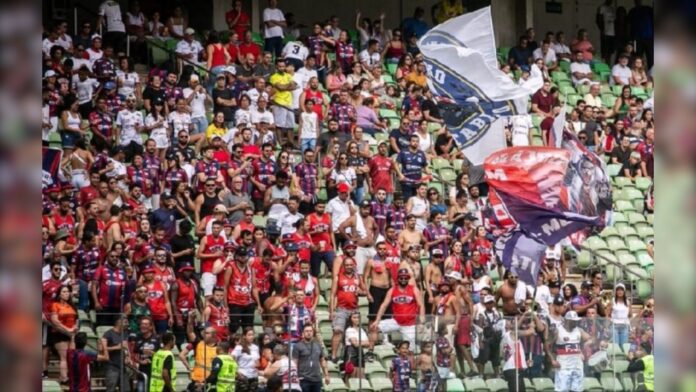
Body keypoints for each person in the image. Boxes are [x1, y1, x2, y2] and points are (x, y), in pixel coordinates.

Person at [370, 268, 424, 350]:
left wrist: (421, 321)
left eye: (405, 278)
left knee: (409, 349)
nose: (403, 279)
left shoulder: (414, 289)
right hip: (396, 321)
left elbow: (421, 305)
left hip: (410, 324)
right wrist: (377, 320)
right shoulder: (392, 290)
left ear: (408, 278)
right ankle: (371, 351)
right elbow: (384, 305)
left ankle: (403, 354)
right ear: (398, 278)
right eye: (401, 278)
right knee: (374, 327)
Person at [329, 257, 365, 361]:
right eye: (347, 265)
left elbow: (365, 291)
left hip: (354, 309)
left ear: (354, 265)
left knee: (352, 334)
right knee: (337, 331)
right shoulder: (338, 277)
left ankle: (348, 357)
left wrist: (360, 292)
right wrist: (331, 311)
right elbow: (332, 295)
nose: (349, 267)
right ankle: (333, 355)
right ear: (343, 266)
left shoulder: (358, 277)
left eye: (351, 265)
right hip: (341, 308)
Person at [548, 311, 595, 392]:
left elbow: (592, 339)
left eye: (576, 320)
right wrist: (552, 360)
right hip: (563, 367)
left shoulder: (579, 330)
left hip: (577, 366)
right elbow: (548, 346)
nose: (575, 322)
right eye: (573, 321)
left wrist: (586, 344)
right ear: (567, 320)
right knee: (562, 390)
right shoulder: (558, 331)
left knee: (577, 390)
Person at [293, 324, 330, 391]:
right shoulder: (297, 346)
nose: (309, 333)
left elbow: (322, 361)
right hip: (304, 379)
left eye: (310, 331)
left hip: (317, 379)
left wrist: (326, 375)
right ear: (303, 333)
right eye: (306, 331)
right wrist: (295, 377)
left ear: (313, 332)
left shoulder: (318, 345)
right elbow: (295, 363)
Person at [100, 316, 131, 392]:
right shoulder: (108, 334)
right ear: (118, 322)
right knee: (111, 389)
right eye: (125, 322)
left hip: (123, 367)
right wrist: (116, 347)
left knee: (126, 389)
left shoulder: (125, 333)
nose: (127, 324)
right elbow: (101, 350)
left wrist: (128, 357)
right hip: (112, 367)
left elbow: (126, 347)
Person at [232, 327, 261, 391]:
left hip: (254, 376)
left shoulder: (255, 347)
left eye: (253, 334)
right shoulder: (239, 347)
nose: (251, 336)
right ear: (244, 336)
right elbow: (232, 360)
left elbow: (257, 362)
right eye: (249, 335)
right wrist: (237, 372)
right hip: (243, 376)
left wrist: (256, 366)